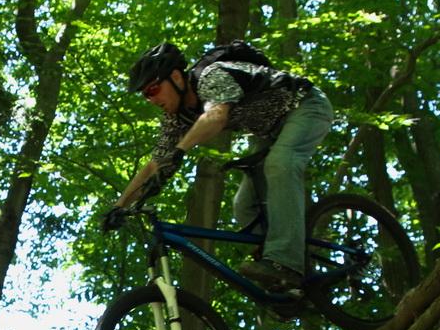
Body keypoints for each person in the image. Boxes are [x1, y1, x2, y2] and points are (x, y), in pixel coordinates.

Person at [112, 42, 334, 292]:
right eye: (146, 95)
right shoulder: (176, 117)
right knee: (244, 207)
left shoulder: (210, 76)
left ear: (175, 77)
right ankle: (294, 283)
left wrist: (180, 151)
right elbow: (155, 164)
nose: (151, 99)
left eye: (153, 89)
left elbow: (216, 116)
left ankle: (286, 262)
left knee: (279, 164)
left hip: (305, 106)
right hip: (269, 131)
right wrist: (120, 205)